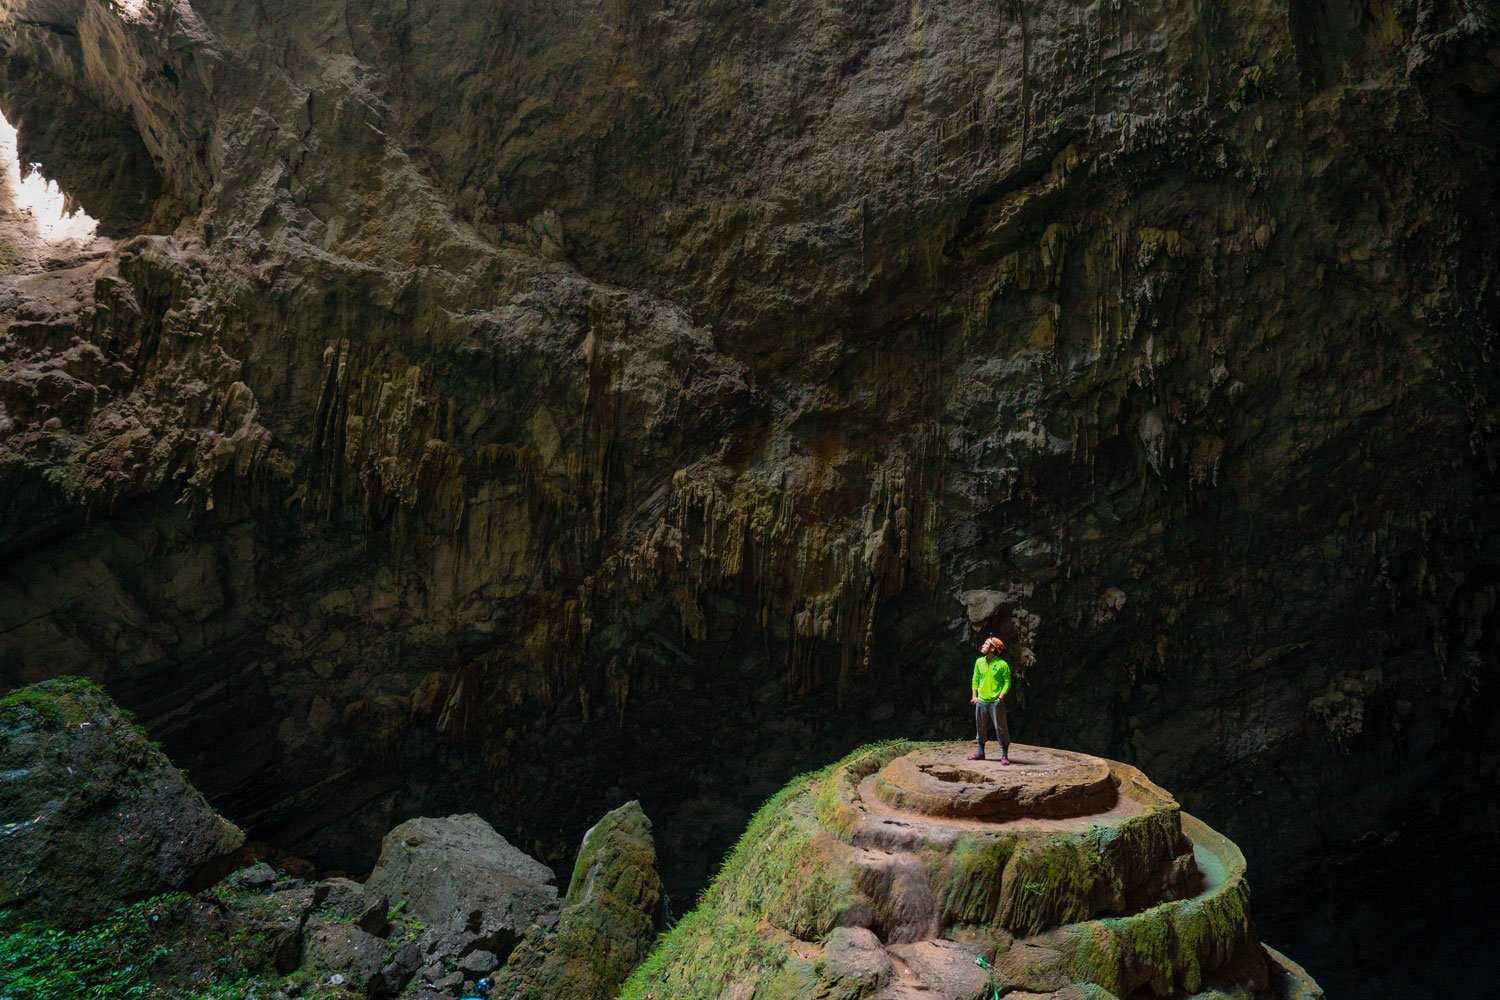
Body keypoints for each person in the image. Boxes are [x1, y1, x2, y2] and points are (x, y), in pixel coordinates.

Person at [969, 636, 1011, 763]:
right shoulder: (979, 662)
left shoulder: (1002, 664)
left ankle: (1004, 755)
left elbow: (1007, 682)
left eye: (986, 644)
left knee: (1000, 728)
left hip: (995, 702)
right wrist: (974, 696)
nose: (983, 645)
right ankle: (980, 752)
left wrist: (1001, 696)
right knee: (980, 727)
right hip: (981, 700)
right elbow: (975, 679)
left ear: (993, 648)